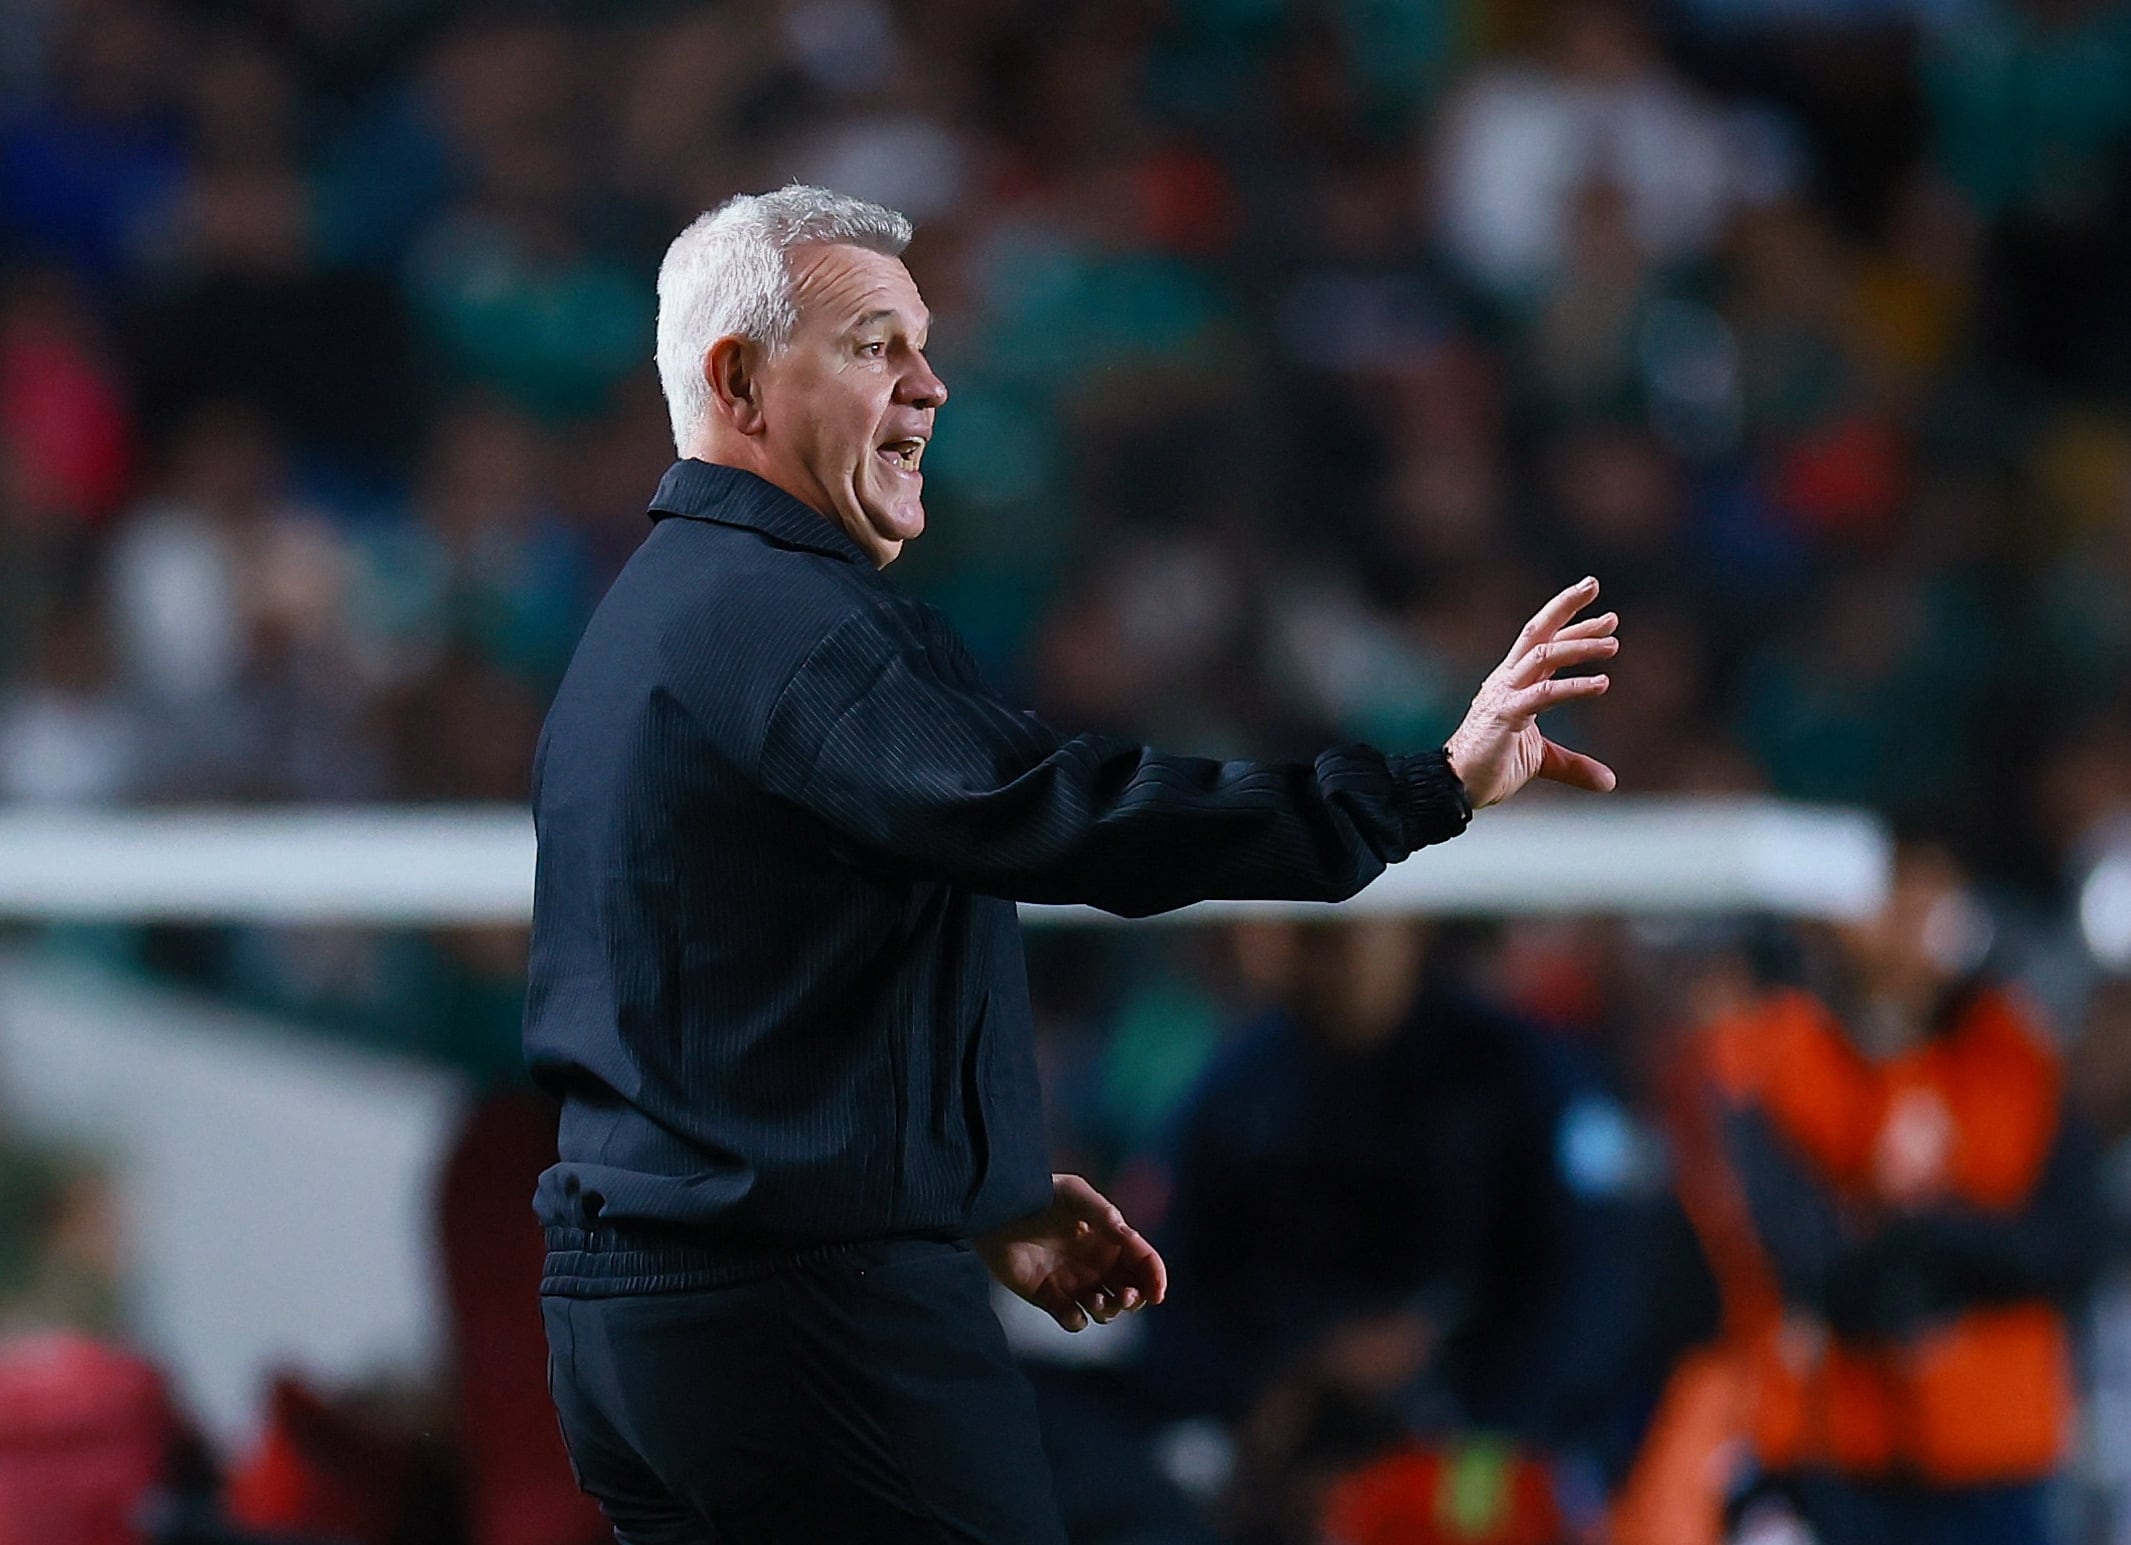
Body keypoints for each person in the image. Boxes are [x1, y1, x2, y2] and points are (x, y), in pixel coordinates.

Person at [523, 184, 1623, 1545]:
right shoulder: (787, 622)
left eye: (921, 344)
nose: (929, 385)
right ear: (738, 380)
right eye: (873, 344)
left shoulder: (642, 631)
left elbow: (746, 1014)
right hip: (804, 1319)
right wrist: (1417, 788)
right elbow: (1050, 810)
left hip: (647, 1325)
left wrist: (980, 1191)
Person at [1680, 847, 2099, 1545]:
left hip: (1994, 1444)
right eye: (1891, 901)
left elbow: (2072, 1242)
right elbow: (1795, 1248)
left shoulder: (2017, 1056)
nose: (1908, 926)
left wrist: (1931, 1240)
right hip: (1841, 1441)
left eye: (1929, 901)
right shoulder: (1781, 1053)